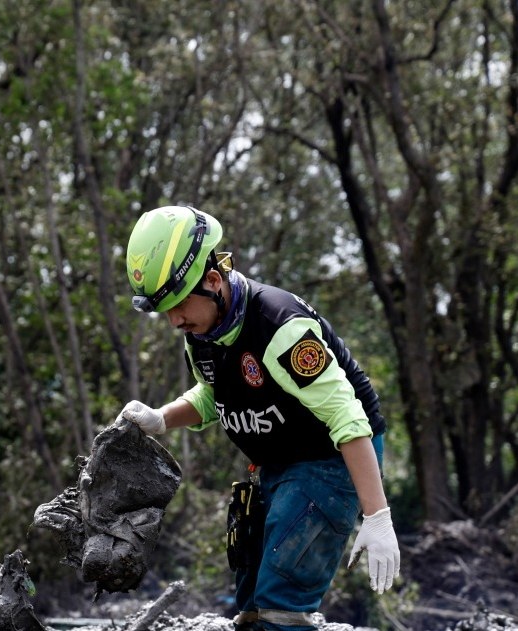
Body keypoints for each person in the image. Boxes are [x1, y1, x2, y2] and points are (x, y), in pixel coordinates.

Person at [118, 206, 400, 631]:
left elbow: (348, 417)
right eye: (165, 311)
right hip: (278, 462)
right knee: (250, 608)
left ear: (213, 282)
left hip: (332, 457)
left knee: (282, 605)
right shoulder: (202, 335)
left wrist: (377, 516)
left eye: (178, 305)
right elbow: (216, 395)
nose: (174, 320)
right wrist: (161, 419)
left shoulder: (280, 327)